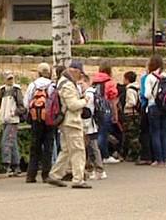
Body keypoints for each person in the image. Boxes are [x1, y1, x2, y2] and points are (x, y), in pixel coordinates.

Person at [46, 61, 92, 189]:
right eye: (80, 74)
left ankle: (55, 175)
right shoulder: (68, 85)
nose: (80, 77)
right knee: (78, 150)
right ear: (75, 71)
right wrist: (85, 100)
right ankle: (78, 179)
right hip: (72, 122)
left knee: (66, 150)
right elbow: (72, 105)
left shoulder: (61, 82)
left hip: (65, 122)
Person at [24, 63, 56, 183]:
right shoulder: (52, 85)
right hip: (49, 119)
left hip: (36, 118)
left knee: (35, 146)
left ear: (38, 72)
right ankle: (46, 174)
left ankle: (31, 175)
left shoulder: (33, 85)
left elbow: (26, 102)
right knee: (48, 146)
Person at [144, 55, 166, 167]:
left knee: (155, 133)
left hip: (154, 106)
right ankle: (165, 159)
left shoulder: (150, 77)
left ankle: (159, 159)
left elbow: (147, 94)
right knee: (165, 132)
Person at [92, 61, 120, 164]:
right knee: (103, 134)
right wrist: (115, 114)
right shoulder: (110, 82)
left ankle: (96, 156)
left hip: (96, 110)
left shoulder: (94, 81)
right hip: (106, 110)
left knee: (97, 133)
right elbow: (113, 100)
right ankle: (104, 155)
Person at [0, 72, 25, 176]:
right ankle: (16, 166)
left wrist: (14, 113)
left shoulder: (16, 90)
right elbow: (0, 105)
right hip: (4, 119)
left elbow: (22, 107)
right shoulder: (2, 90)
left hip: (13, 120)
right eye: (8, 78)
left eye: (11, 78)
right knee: (12, 142)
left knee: (6, 142)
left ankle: (7, 164)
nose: (10, 81)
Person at [81, 74, 107, 180]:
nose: (80, 86)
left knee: (92, 147)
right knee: (89, 147)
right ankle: (93, 169)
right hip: (92, 123)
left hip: (88, 124)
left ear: (87, 82)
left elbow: (86, 110)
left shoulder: (89, 94)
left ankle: (99, 169)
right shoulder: (94, 92)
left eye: (82, 83)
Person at [136, 67, 153, 165]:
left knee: (145, 132)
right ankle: (160, 156)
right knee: (157, 132)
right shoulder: (163, 77)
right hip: (160, 107)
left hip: (146, 106)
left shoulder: (145, 78)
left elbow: (144, 94)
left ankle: (146, 156)